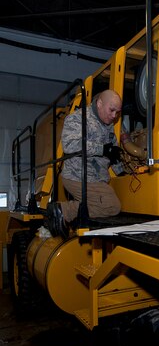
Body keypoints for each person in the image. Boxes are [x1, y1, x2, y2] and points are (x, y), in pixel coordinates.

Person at [47, 89, 124, 238]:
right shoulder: (78, 118)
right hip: (78, 176)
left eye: (118, 112)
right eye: (112, 110)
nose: (114, 116)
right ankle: (63, 210)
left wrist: (120, 170)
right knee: (112, 205)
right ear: (100, 103)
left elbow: (112, 151)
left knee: (111, 199)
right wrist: (101, 149)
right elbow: (69, 144)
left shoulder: (108, 124)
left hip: (97, 180)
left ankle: (66, 211)